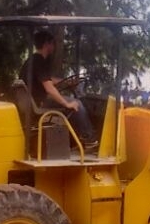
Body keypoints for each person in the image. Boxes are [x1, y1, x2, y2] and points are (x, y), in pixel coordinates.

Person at [19, 28, 98, 157]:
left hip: (34, 101)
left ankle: (76, 142)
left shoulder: (32, 60)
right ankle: (90, 141)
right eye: (52, 43)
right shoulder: (39, 61)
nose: (54, 46)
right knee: (76, 103)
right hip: (39, 102)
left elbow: (47, 80)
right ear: (46, 44)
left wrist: (66, 82)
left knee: (71, 104)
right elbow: (49, 88)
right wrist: (66, 104)